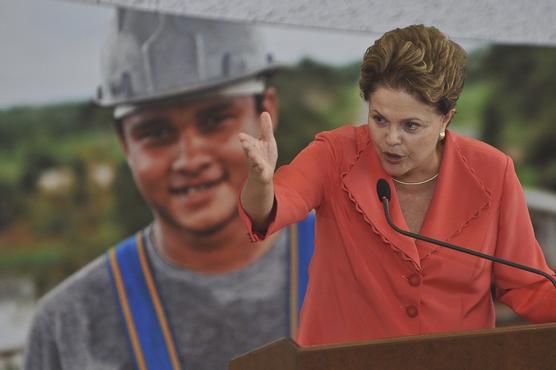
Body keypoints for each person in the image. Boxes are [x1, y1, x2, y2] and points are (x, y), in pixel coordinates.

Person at [24, 8, 315, 370]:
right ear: (125, 143)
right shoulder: (69, 327)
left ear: (265, 113)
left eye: (215, 120)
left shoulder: (371, 264)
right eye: (156, 132)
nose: (190, 158)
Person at [238, 24, 556, 347]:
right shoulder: (334, 155)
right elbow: (273, 207)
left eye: (411, 126)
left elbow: (528, 285)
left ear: (446, 119)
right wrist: (261, 183)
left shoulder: (493, 173)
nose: (391, 139)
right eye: (379, 119)